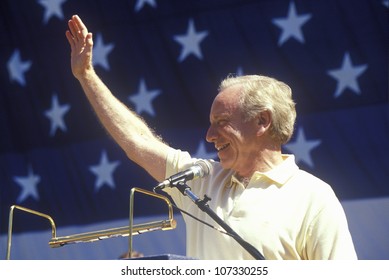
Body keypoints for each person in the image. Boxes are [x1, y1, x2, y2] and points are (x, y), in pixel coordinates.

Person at [65, 15, 357, 260]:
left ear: (262, 121)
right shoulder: (202, 180)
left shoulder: (313, 197)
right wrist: (86, 75)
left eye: (222, 123)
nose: (209, 135)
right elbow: (138, 142)